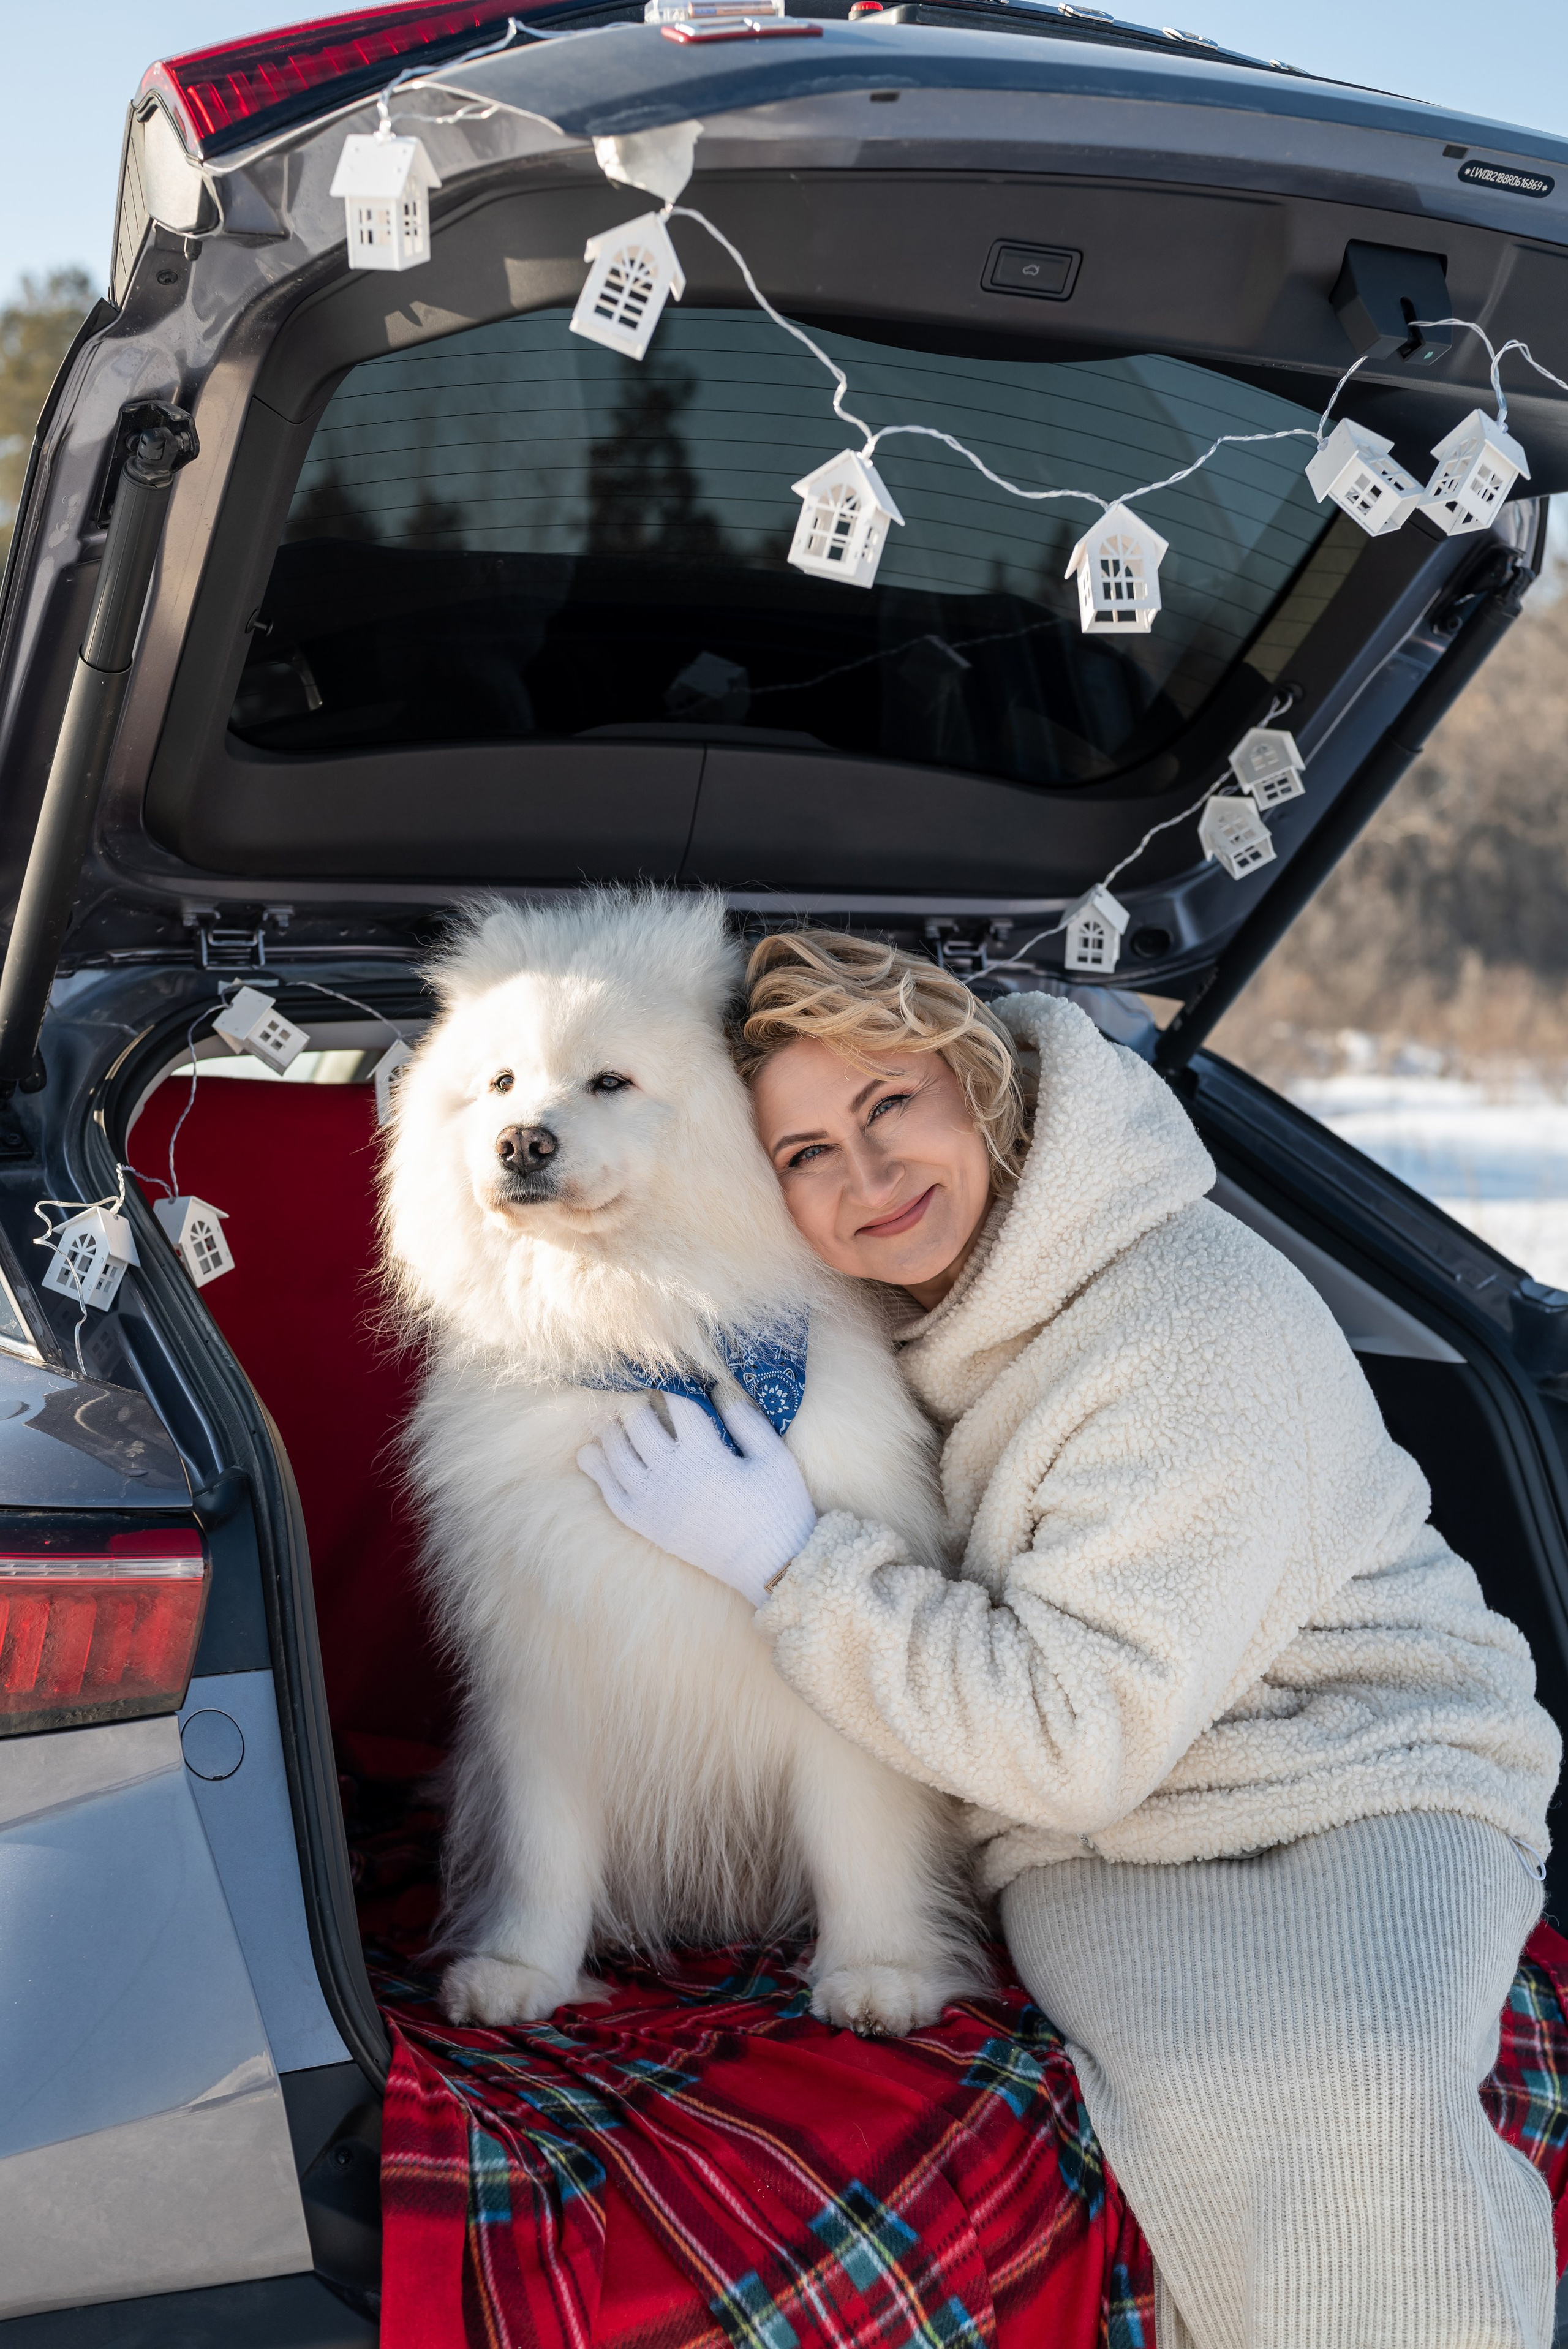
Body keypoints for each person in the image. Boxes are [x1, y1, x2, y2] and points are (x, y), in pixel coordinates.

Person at [578, 929, 1562, 2349]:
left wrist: (787, 1562)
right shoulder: (887, 1325)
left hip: (1360, 1769)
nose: (864, 1178)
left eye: (886, 1106)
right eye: (800, 1155)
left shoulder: (1183, 1321)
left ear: (976, 1085)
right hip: (1085, 1842)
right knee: (1213, 2098)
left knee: (1357, 2086)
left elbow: (1066, 1739)